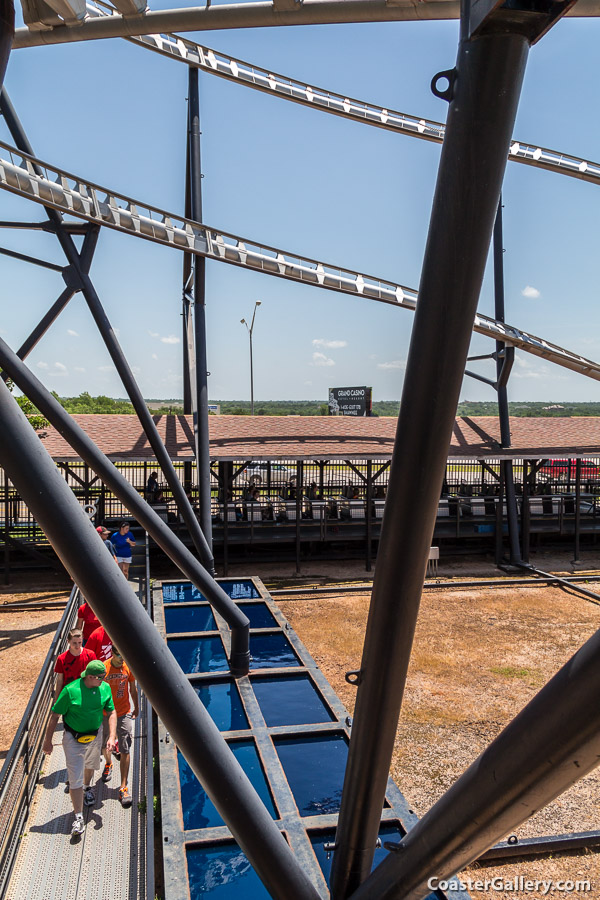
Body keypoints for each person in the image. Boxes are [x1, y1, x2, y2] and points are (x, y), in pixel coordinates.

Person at [42, 660, 117, 836]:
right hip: (73, 739)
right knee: (74, 776)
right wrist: (47, 741)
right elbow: (54, 716)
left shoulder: (104, 688)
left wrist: (112, 735)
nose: (103, 680)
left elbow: (112, 711)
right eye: (101, 677)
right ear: (90, 677)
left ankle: (86, 788)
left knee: (90, 766)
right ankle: (78, 817)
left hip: (94, 736)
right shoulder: (71, 691)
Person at [101, 647, 139, 808]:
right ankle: (108, 762)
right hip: (105, 713)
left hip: (124, 712)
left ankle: (123, 786)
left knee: (125, 749)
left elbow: (133, 688)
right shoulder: (104, 668)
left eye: (124, 656)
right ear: (112, 654)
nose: (122, 659)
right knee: (105, 746)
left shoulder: (127, 667)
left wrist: (136, 707)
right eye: (119, 656)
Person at [54, 629, 97, 700]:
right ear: (68, 641)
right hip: (69, 695)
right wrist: (57, 699)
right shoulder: (61, 658)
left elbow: (95, 675)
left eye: (80, 642)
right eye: (74, 643)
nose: (77, 646)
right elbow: (60, 679)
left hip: (86, 694)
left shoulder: (90, 655)